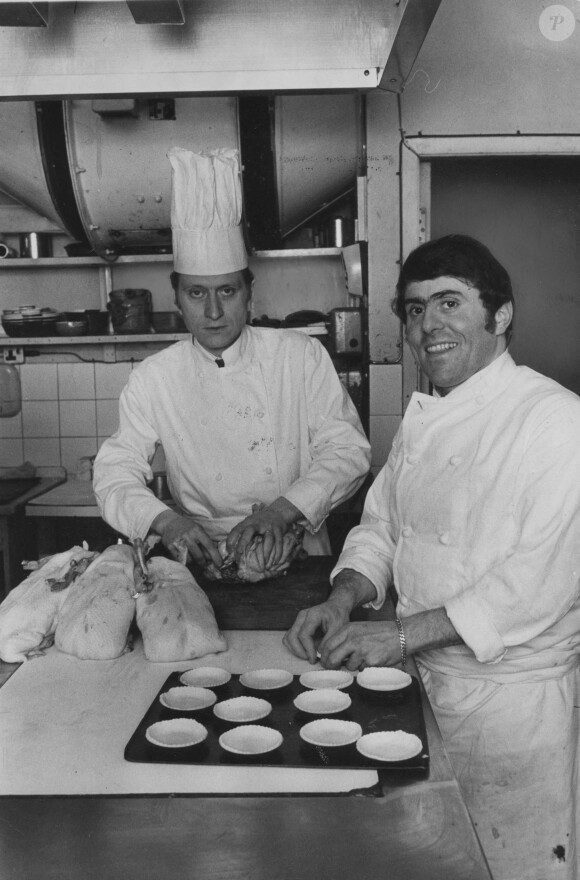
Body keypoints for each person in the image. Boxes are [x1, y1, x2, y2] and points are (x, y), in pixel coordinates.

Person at [284, 234, 580, 880]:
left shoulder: (556, 422)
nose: (428, 326)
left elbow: (535, 585)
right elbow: (383, 526)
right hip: (422, 694)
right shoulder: (426, 420)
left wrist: (398, 635)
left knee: (512, 867)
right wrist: (341, 600)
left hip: (510, 715)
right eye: (415, 310)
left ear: (499, 317)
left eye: (450, 303)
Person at [93, 147, 371, 572]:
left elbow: (348, 452)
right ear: (177, 299)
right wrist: (165, 522)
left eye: (227, 291)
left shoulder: (299, 356)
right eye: (197, 293)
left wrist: (281, 512)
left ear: (249, 293)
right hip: (203, 554)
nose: (213, 312)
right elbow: (113, 471)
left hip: (295, 543)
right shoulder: (154, 379)